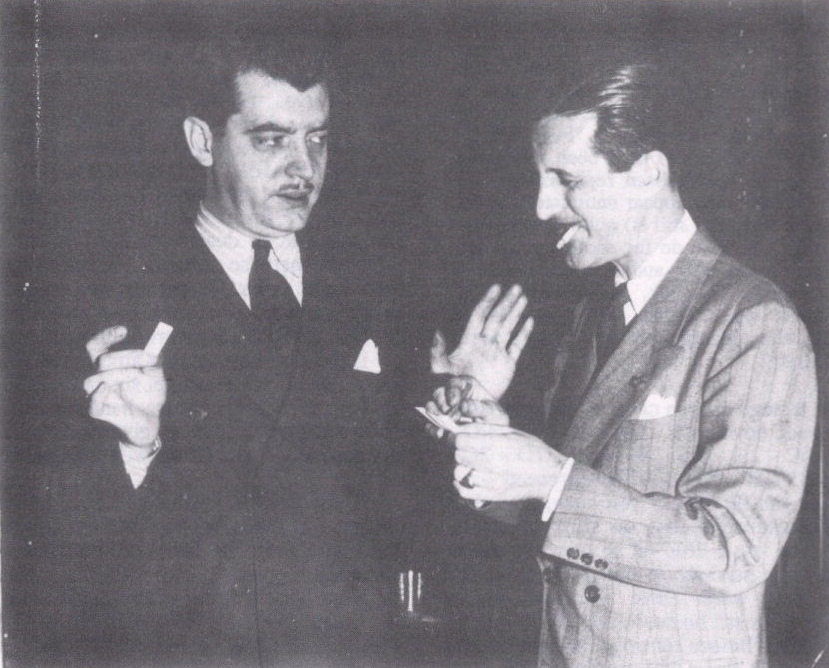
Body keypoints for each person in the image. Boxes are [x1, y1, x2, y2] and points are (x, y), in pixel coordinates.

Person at [33, 36, 422, 668]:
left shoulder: (376, 283)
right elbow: (62, 564)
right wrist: (135, 448)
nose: (303, 168)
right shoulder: (111, 299)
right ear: (202, 141)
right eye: (271, 140)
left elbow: (406, 506)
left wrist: (456, 416)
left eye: (318, 138)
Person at [428, 63, 817, 668]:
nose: (541, 207)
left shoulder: (752, 321)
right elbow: (563, 524)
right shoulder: (595, 318)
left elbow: (735, 546)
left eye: (566, 181)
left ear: (648, 174)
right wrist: (489, 438)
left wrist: (552, 478)